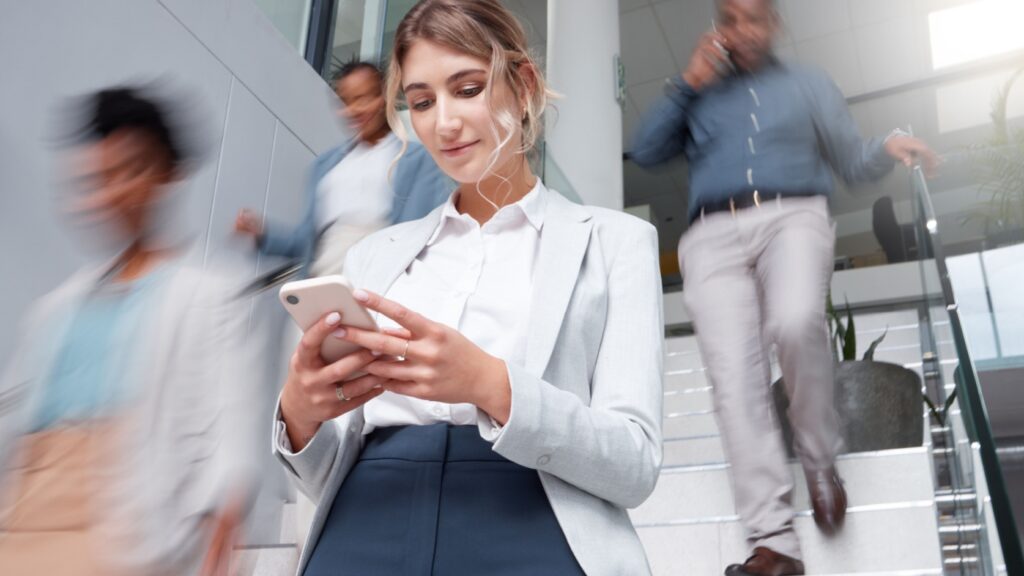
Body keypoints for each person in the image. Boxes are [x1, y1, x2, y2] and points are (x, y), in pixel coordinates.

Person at [271, 1, 664, 575]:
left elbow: (635, 464)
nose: (443, 123)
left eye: (469, 88)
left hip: (532, 515)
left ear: (523, 84)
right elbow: (325, 468)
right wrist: (301, 416)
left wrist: (489, 384)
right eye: (423, 101)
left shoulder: (616, 242)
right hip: (368, 515)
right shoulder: (372, 256)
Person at [631, 0, 938, 574]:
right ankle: (774, 543)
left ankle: (819, 458)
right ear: (716, 25)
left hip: (792, 216)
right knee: (734, 384)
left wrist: (889, 144)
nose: (741, 30)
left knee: (796, 322)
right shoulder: (698, 93)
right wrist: (685, 84)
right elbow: (647, 150)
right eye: (729, 19)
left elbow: (849, 157)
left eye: (754, 18)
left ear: (775, 23)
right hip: (710, 236)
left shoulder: (809, 83)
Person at [0, 87, 259, 576]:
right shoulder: (55, 308)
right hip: (27, 513)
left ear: (167, 174)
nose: (112, 191)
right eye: (98, 178)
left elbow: (232, 417)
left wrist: (224, 512)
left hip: (124, 524)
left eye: (131, 171)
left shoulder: (209, 295)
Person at [235, 59, 450, 278]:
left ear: (385, 98)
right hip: (320, 282)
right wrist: (263, 235)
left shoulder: (415, 159)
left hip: (376, 282)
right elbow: (306, 242)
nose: (353, 110)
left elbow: (418, 233)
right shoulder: (325, 167)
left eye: (362, 98)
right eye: (345, 102)